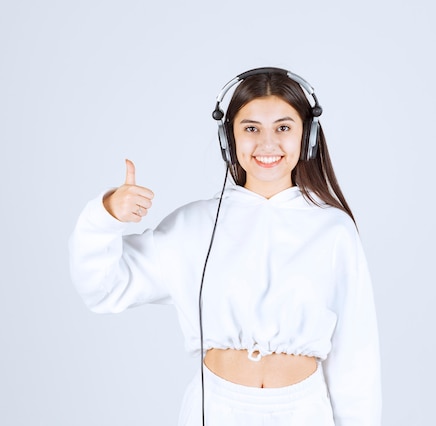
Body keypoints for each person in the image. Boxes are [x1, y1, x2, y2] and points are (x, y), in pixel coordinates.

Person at [69, 67, 381, 426]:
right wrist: (105, 216)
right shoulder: (193, 226)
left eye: (283, 127)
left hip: (303, 412)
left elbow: (356, 360)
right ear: (228, 138)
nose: (267, 144)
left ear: (306, 136)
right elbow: (103, 288)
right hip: (216, 410)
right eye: (251, 128)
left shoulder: (334, 231)